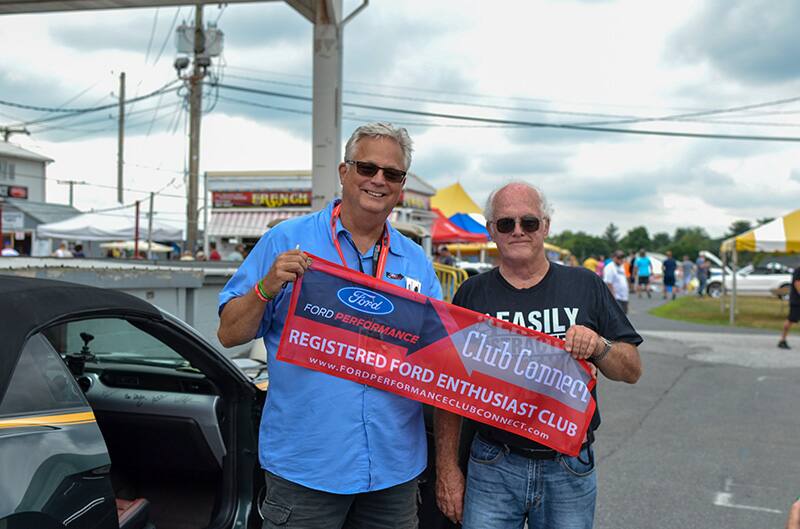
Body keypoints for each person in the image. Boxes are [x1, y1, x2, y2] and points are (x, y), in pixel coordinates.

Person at [217, 123, 442, 529]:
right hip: (306, 469)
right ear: (343, 171)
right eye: (367, 167)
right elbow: (230, 333)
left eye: (391, 174)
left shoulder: (415, 260)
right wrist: (266, 288)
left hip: (393, 470)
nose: (378, 180)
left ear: (402, 185)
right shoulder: (286, 239)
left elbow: (438, 355)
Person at [434, 182, 642, 529]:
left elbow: (632, 369)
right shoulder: (472, 293)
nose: (518, 231)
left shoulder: (585, 285)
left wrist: (599, 346)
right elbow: (448, 390)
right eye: (506, 224)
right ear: (491, 231)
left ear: (545, 226)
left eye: (528, 222)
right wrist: (447, 470)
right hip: (493, 462)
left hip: (568, 463)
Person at [777, 265, 800, 349]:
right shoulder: (798, 270)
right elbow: (797, 283)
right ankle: (782, 340)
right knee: (791, 320)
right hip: (797, 301)